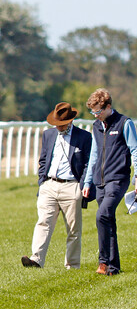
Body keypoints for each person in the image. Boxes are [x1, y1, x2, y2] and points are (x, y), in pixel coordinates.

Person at [21, 102, 92, 269]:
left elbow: (89, 163)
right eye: (56, 124)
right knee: (43, 222)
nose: (58, 127)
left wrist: (82, 185)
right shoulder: (48, 135)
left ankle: (72, 265)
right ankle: (36, 259)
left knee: (73, 230)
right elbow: (44, 159)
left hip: (72, 186)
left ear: (70, 121)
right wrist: (42, 182)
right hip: (49, 185)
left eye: (61, 125)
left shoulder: (84, 137)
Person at [82, 89, 137, 276]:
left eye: (98, 111)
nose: (96, 115)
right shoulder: (96, 125)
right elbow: (94, 154)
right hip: (99, 181)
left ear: (108, 107)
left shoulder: (125, 123)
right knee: (108, 220)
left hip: (118, 179)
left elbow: (135, 149)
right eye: (93, 112)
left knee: (102, 215)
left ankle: (103, 262)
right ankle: (114, 267)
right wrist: (87, 182)